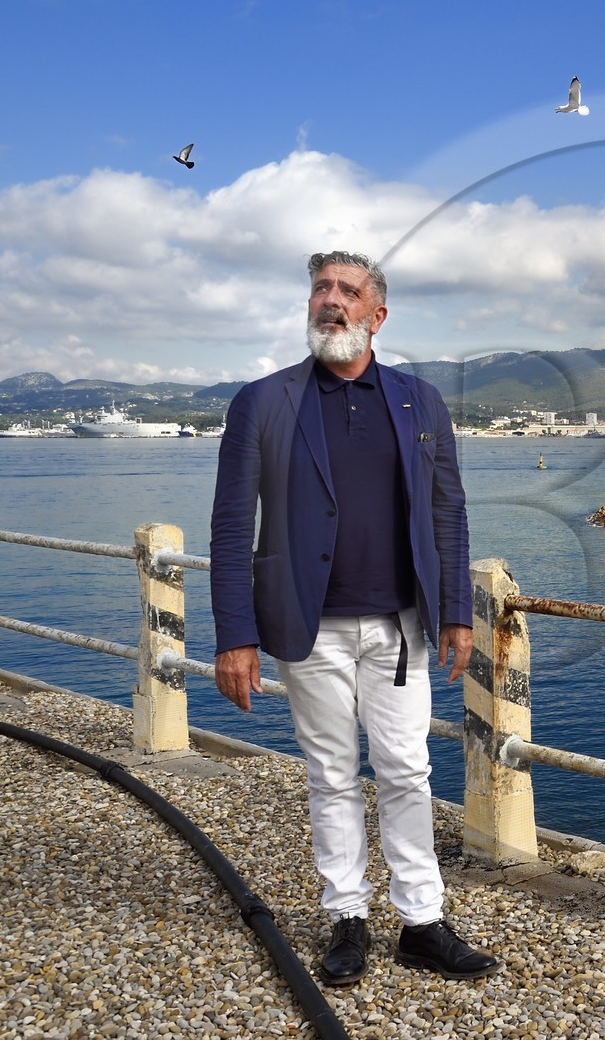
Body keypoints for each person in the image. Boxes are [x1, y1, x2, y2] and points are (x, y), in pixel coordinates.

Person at [210, 251, 500, 986]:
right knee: (331, 773)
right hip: (307, 627)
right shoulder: (263, 401)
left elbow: (448, 512)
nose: (330, 301)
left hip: (402, 624)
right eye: (320, 289)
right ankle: (348, 917)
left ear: (377, 313)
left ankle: (422, 923)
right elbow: (229, 524)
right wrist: (235, 635)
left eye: (347, 290)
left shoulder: (419, 400)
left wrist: (457, 613)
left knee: (406, 767)